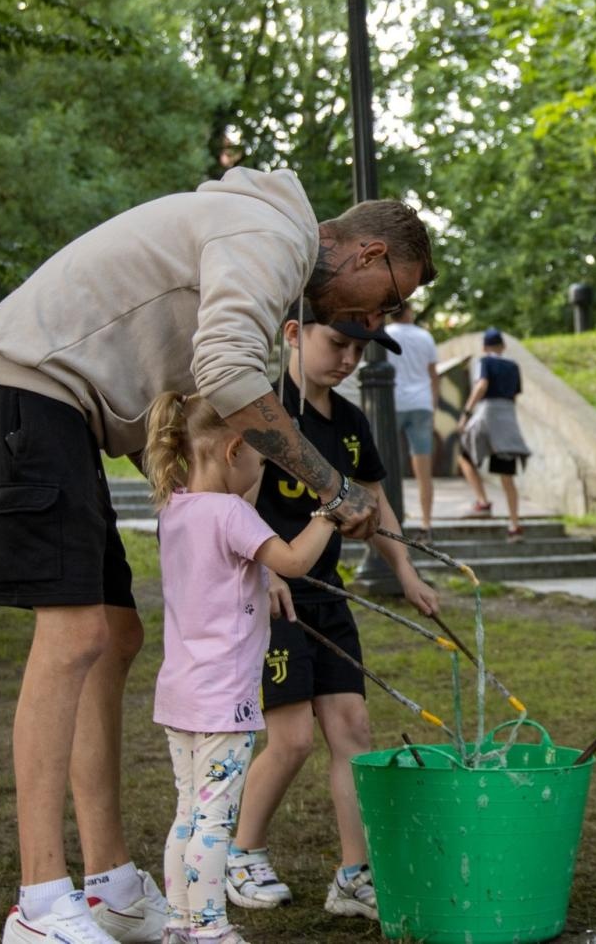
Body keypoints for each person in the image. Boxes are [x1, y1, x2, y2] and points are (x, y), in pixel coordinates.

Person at [0, 167, 436, 944]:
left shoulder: (263, 249)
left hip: (67, 410)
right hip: (29, 388)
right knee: (74, 635)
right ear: (369, 252)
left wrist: (225, 535)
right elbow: (227, 377)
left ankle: (110, 884)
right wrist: (331, 486)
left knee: (117, 635)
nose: (372, 318)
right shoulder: (272, 238)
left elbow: (187, 404)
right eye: (384, 298)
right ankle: (39, 902)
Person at [227, 302, 438, 919]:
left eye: (360, 350)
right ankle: (241, 854)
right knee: (291, 740)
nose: (349, 360)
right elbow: (235, 502)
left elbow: (373, 498)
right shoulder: (265, 412)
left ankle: (353, 875)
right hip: (274, 600)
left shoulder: (349, 420)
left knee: (353, 732)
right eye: (337, 344)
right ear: (294, 333)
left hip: (329, 595)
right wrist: (265, 570)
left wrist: (406, 570)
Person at [141, 390, 337, 944]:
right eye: (260, 460)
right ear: (233, 451)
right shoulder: (232, 513)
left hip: (180, 692)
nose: (261, 473)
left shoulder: (174, 509)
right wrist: (330, 510)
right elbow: (294, 561)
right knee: (215, 821)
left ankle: (180, 924)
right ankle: (209, 928)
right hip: (224, 699)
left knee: (188, 813)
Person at [457, 328, 530, 539]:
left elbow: (482, 385)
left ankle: (482, 502)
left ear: (484, 347)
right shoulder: (513, 366)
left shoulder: (485, 361)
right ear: (503, 346)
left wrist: (466, 414)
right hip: (507, 420)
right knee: (507, 475)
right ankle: (514, 525)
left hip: (487, 415)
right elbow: (514, 395)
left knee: (465, 455)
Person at [384, 302, 441, 540]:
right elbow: (433, 375)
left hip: (392, 404)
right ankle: (426, 524)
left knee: (385, 466)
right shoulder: (425, 336)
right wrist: (433, 405)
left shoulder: (385, 335)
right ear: (408, 312)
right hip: (421, 404)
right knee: (423, 471)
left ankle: (388, 522)